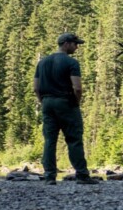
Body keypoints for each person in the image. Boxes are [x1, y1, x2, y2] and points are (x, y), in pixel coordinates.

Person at [33, 32, 99, 185]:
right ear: (66, 44)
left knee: (49, 140)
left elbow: (36, 88)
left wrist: (42, 102)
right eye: (75, 44)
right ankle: (82, 175)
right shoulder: (71, 63)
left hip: (47, 102)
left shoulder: (42, 63)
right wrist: (76, 103)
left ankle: (49, 176)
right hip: (66, 102)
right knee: (74, 139)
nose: (77, 47)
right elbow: (77, 88)